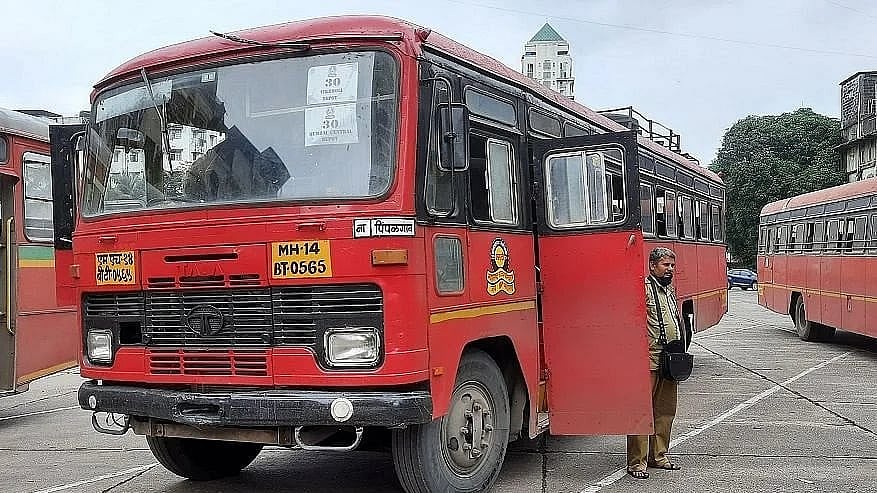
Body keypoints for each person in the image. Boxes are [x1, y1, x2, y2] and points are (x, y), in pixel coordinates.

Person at [626, 247, 690, 479]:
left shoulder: (668, 291)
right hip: (648, 359)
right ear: (652, 266)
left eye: (672, 265)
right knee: (643, 412)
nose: (670, 269)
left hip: (669, 361)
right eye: (666, 265)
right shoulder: (643, 289)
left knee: (665, 411)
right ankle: (637, 463)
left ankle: (659, 456)